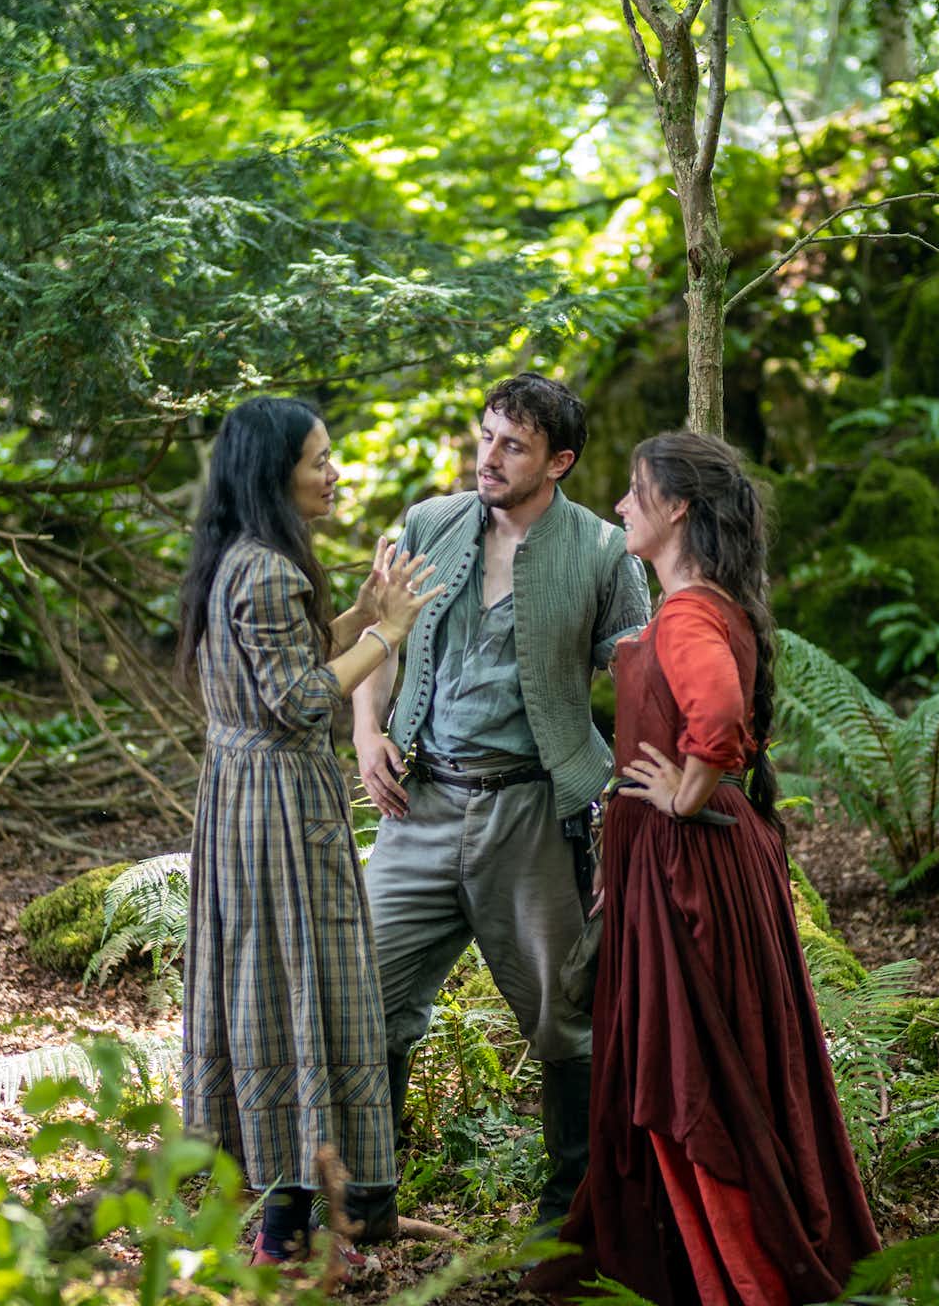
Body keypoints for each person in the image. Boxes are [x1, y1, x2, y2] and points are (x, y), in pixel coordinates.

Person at [540, 431, 880, 1305]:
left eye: (634, 490)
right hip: (698, 857)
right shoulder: (711, 602)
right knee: (706, 1057)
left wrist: (684, 794)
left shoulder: (690, 610)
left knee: (687, 1063)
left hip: (687, 862)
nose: (620, 505)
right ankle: (694, 1265)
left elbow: (720, 714)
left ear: (678, 506)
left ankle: (740, 1273)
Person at [345, 373, 651, 1243]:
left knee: (565, 1018)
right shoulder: (428, 524)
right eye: (486, 437)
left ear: (559, 462)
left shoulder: (602, 552)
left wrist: (638, 800)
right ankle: (365, 1209)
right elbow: (376, 640)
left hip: (533, 816)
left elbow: (641, 680)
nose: (490, 457)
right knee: (364, 998)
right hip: (418, 806)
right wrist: (367, 733)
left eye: (513, 445)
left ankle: (567, 1227)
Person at [176, 396, 444, 1266]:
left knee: (281, 997)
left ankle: (288, 1233)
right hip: (278, 813)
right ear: (275, 472)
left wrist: (361, 619)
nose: (334, 473)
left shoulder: (242, 559)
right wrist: (391, 633)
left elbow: (285, 664)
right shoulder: (267, 570)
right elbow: (298, 699)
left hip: (245, 800)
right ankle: (285, 1240)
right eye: (319, 460)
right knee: (302, 997)